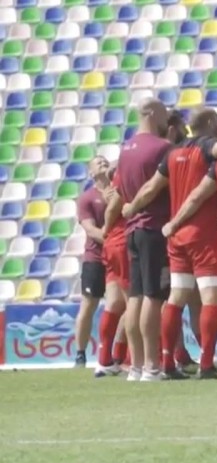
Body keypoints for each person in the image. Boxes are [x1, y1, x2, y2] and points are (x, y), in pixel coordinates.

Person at [123, 108, 217, 379]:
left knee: (176, 297)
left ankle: (168, 362)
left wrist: (131, 208)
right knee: (212, 298)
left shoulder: (172, 153)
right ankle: (207, 363)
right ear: (209, 123)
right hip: (203, 234)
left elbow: (151, 188)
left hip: (176, 236)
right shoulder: (208, 146)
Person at [114, 98, 173, 381]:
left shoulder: (125, 149)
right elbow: (153, 187)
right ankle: (152, 365)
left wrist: (129, 209)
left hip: (133, 230)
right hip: (153, 226)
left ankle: (136, 366)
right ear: (151, 113)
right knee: (153, 296)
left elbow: (119, 190)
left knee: (135, 297)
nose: (166, 118)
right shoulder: (162, 147)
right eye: (163, 112)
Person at [74, 158, 111, 368]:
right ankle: (80, 353)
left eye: (104, 161)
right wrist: (113, 242)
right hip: (95, 258)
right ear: (91, 173)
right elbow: (90, 229)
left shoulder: (119, 192)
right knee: (88, 306)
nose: (103, 163)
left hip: (117, 257)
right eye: (98, 163)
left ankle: (116, 353)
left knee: (121, 304)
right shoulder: (87, 198)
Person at [95, 171, 130, 377]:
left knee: (115, 303)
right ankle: (136, 361)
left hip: (113, 243)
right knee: (135, 301)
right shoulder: (128, 176)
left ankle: (106, 359)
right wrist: (106, 228)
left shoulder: (115, 183)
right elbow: (113, 208)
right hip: (124, 241)